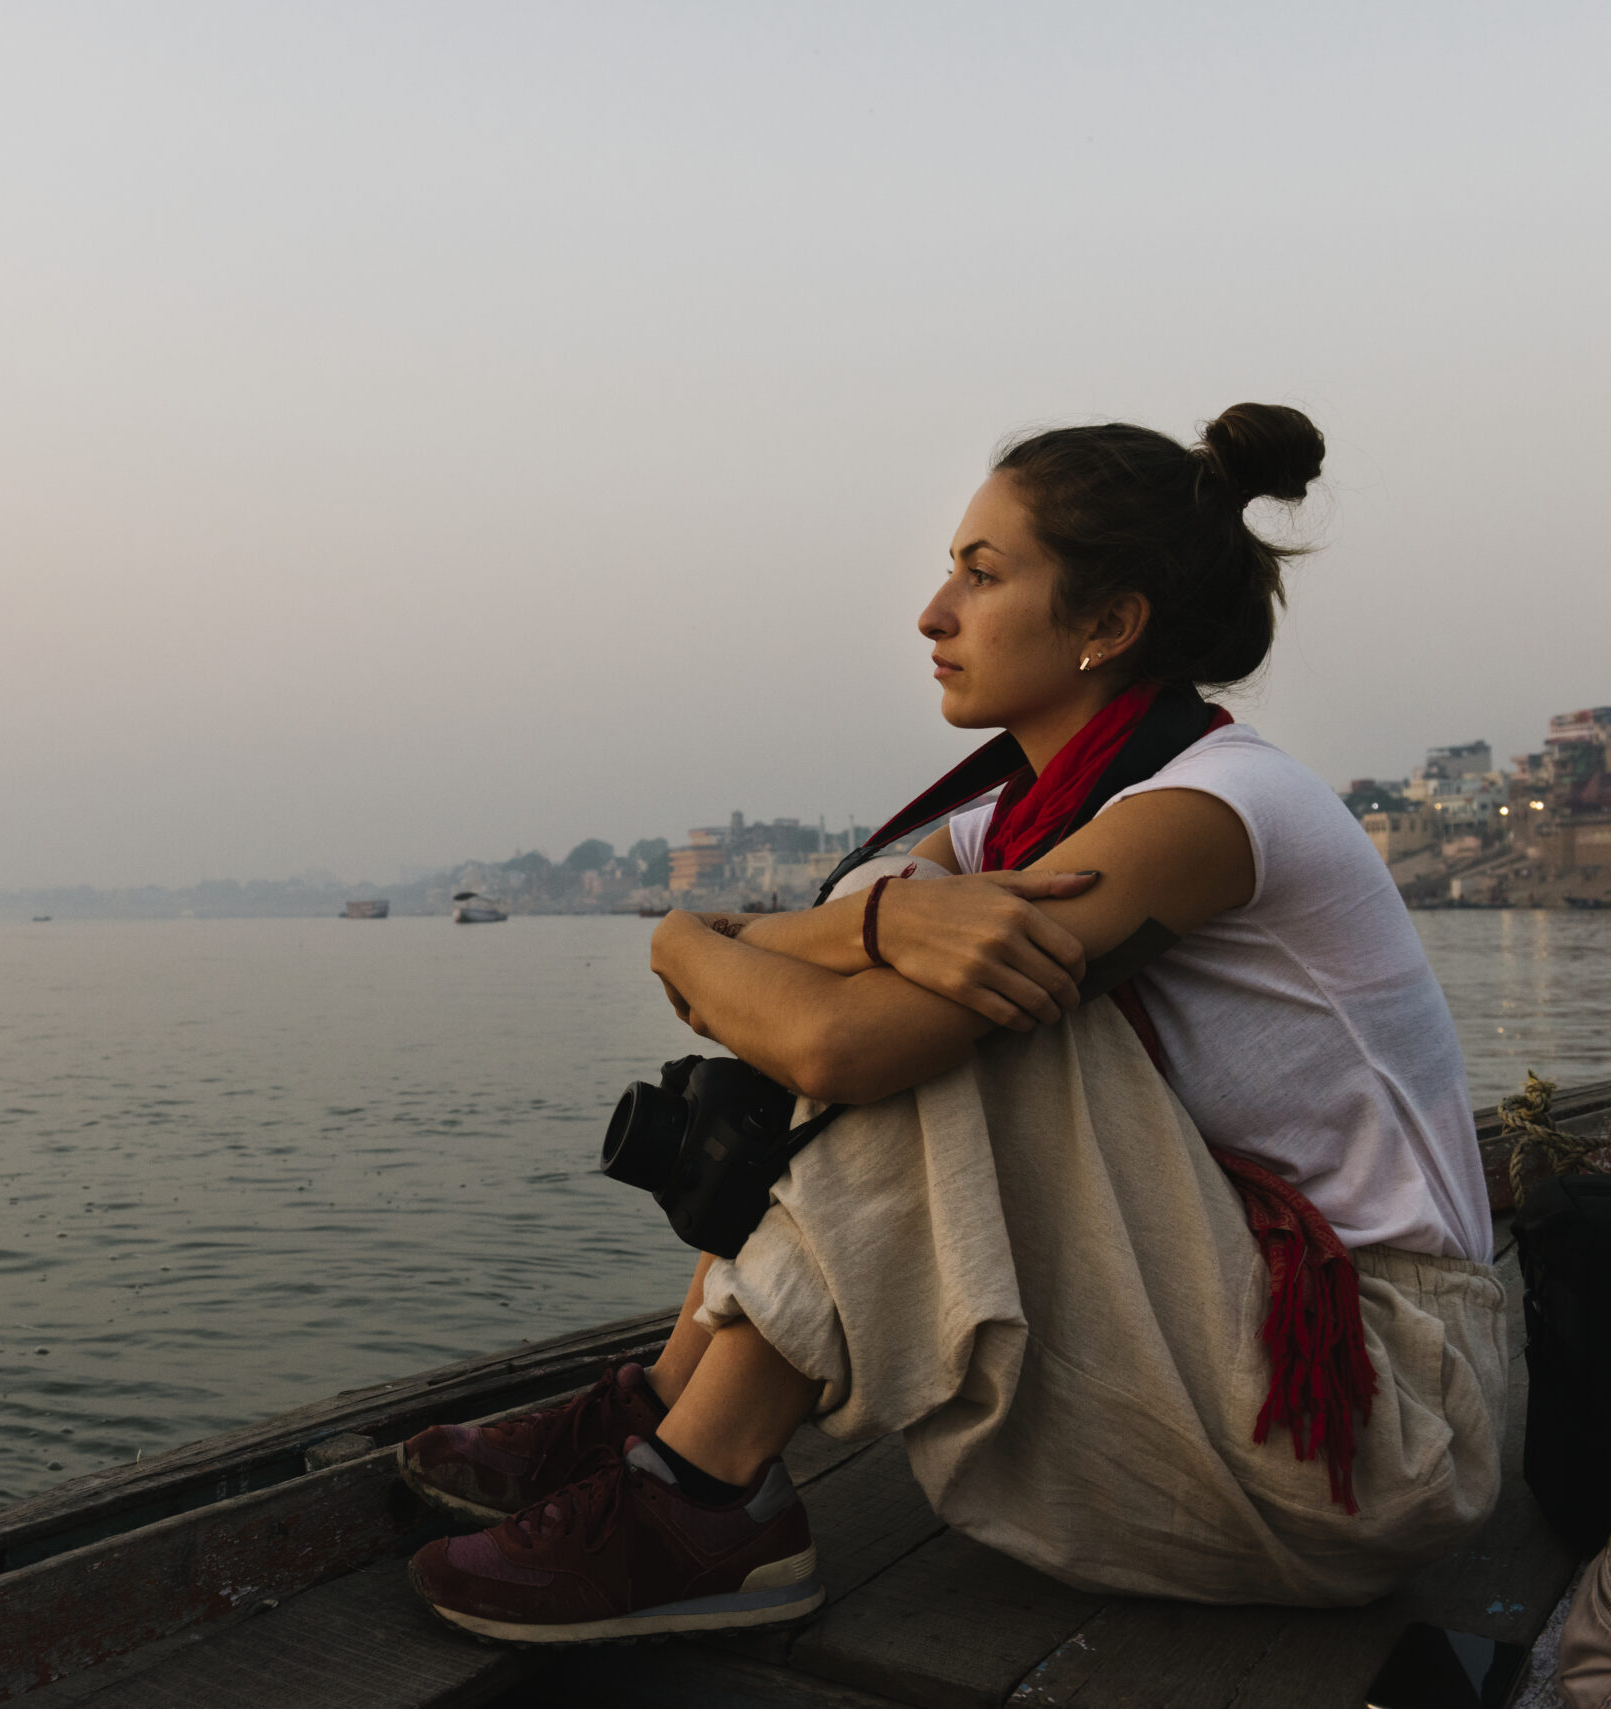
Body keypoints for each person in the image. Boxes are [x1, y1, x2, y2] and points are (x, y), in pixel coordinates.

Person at [403, 405, 1505, 1646]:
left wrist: (782, 941)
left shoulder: (1209, 807)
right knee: (921, 973)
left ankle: (704, 1495)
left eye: (981, 576)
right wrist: (783, 930)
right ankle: (665, 1408)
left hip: (1378, 1421)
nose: (932, 612)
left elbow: (834, 1045)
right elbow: (791, 948)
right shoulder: (1014, 824)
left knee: (972, 1014)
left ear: (1107, 624)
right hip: (1236, 1349)